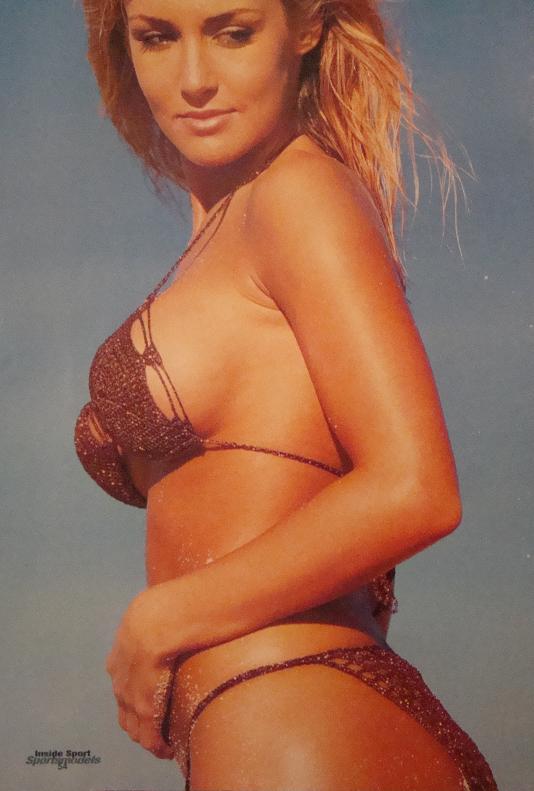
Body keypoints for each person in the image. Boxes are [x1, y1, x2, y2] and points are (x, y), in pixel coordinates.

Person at [75, 1, 500, 789]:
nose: (194, 80)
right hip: (271, 725)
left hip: (299, 724)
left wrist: (162, 617)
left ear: (306, 27)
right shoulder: (233, 223)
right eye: (157, 38)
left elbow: (416, 487)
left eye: (233, 33)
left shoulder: (298, 194)